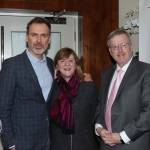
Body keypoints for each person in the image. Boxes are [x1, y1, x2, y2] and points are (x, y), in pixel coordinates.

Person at [0, 17, 54, 150]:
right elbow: (3, 108)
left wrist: (82, 78)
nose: (38, 40)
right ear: (26, 37)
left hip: (48, 140)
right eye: (34, 35)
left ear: (49, 39)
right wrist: (10, 143)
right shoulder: (12, 65)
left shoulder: (51, 64)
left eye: (43, 35)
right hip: (22, 142)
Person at [95, 29, 150, 150]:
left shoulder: (146, 71)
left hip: (133, 144)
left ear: (131, 46)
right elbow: (101, 105)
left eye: (124, 45)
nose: (120, 50)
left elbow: (148, 112)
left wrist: (122, 136)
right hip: (106, 144)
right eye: (115, 46)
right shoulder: (106, 73)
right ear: (110, 51)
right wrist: (99, 128)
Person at [50, 47, 98, 150]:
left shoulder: (89, 87)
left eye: (71, 60)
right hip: (58, 145)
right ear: (57, 66)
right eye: (62, 61)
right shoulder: (51, 89)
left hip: (84, 144)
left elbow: (96, 116)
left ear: (76, 64)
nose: (67, 64)